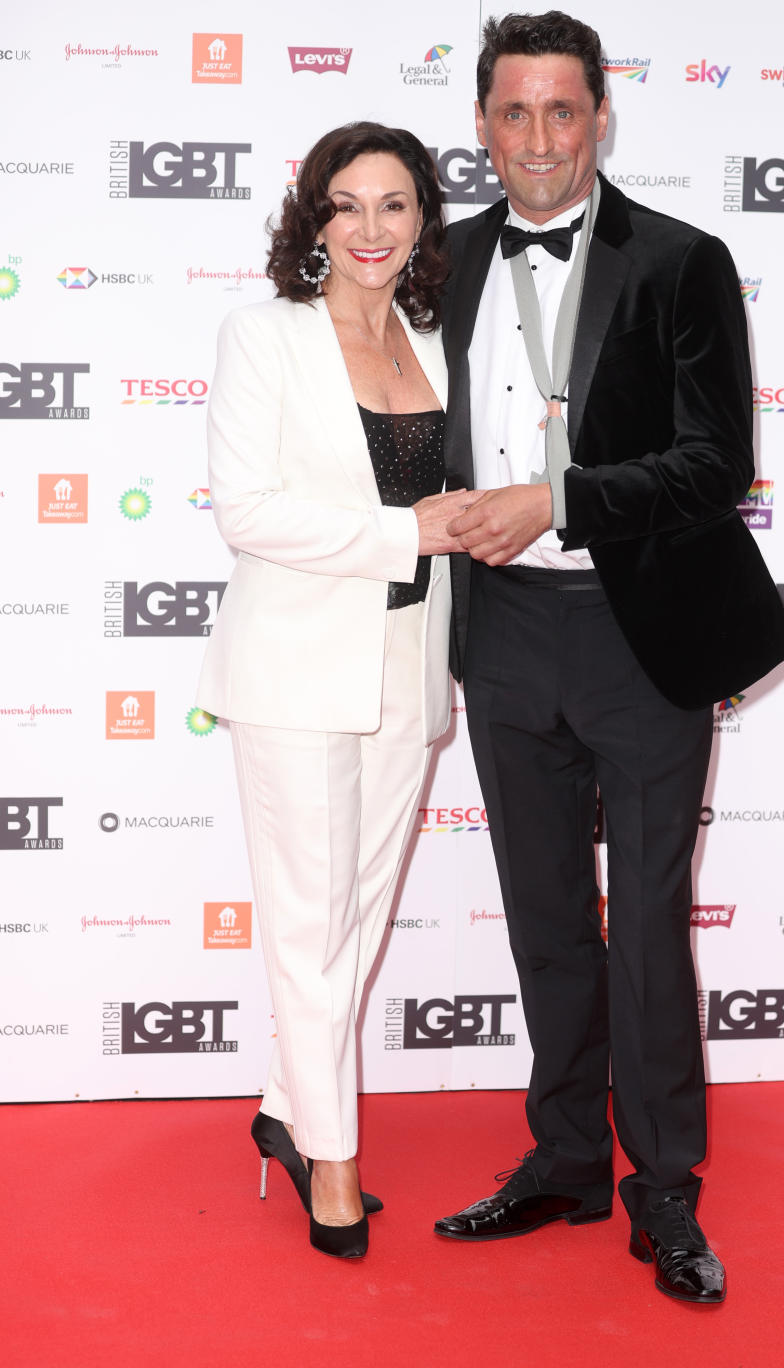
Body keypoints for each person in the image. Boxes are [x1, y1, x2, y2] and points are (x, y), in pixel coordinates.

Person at [433, 13, 784, 1303]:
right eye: (514, 113)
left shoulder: (682, 261)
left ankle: (665, 1191)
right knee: (544, 920)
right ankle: (568, 1159)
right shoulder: (442, 261)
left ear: (601, 119)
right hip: (503, 632)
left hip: (643, 631)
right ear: (482, 123)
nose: (538, 139)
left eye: (563, 112)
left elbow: (718, 463)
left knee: (644, 924)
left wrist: (561, 498)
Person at [196, 122, 477, 1259]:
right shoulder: (265, 337)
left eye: (394, 205)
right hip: (296, 670)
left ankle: (283, 1107)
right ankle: (334, 1160)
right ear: (313, 219)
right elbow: (246, 511)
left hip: (410, 665)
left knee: (355, 921)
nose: (371, 229)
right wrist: (405, 530)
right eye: (347, 205)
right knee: (311, 928)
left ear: (423, 220)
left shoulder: (440, 341)